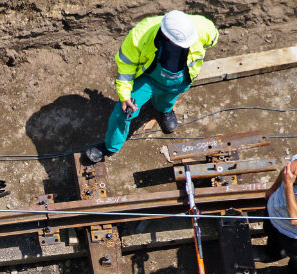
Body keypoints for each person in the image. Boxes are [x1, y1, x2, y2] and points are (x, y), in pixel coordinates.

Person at [86, 10, 219, 163]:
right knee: (123, 112)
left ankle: (165, 111)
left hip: (179, 80)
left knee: (168, 99)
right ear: (165, 35)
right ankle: (110, 147)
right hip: (149, 79)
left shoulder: (203, 27)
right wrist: (124, 96)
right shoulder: (140, 34)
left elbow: (213, 39)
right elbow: (126, 68)